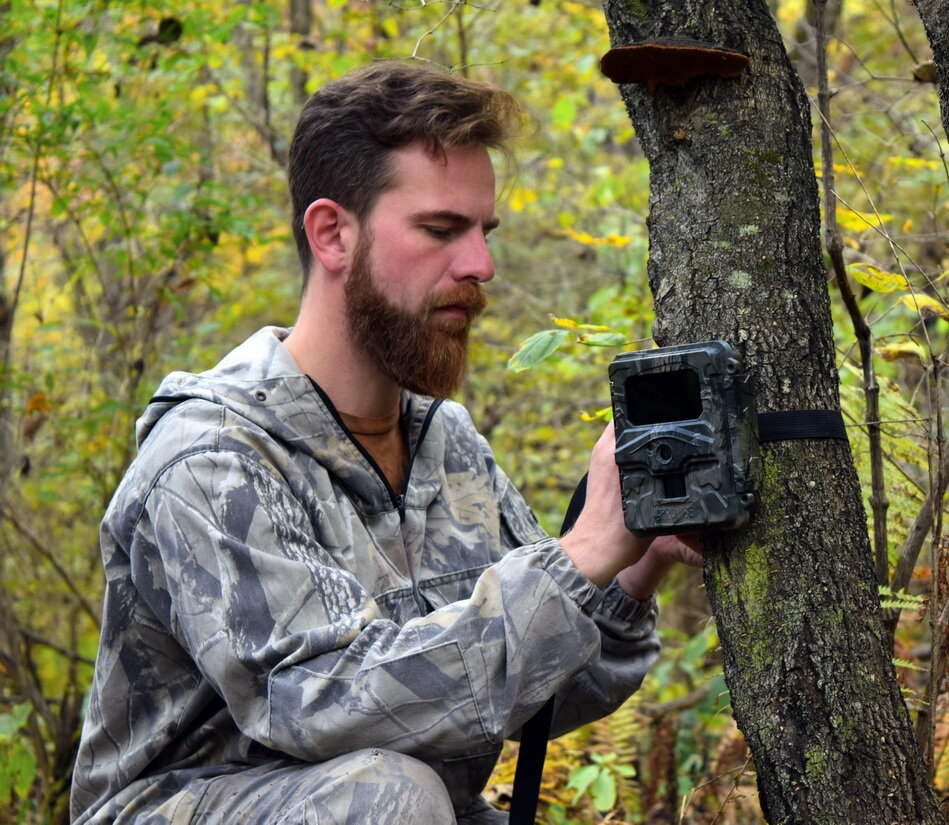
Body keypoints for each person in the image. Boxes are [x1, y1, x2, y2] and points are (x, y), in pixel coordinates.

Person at [70, 61, 699, 825]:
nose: (481, 266)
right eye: (441, 230)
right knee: (388, 795)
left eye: (483, 232)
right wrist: (584, 550)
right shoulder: (211, 459)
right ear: (333, 233)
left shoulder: (447, 445)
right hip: (190, 808)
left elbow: (528, 689)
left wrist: (636, 564)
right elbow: (322, 702)